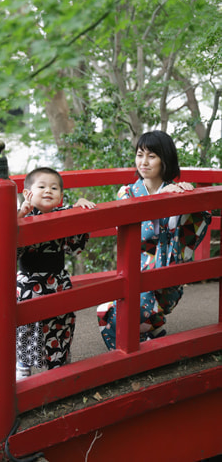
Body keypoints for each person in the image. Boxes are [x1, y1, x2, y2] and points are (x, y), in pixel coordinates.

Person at [97, 130, 212, 350]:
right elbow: (129, 232)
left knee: (126, 314)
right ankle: (152, 330)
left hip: (168, 271)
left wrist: (191, 199)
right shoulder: (127, 193)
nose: (144, 162)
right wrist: (160, 200)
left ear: (165, 159)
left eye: (152, 156)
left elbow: (199, 221)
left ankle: (149, 329)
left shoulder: (177, 191)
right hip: (137, 268)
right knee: (109, 312)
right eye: (140, 155)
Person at [16, 167, 96, 379]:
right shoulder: (21, 215)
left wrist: (79, 210)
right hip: (28, 282)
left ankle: (59, 362)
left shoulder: (63, 214)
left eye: (54, 188)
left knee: (61, 319)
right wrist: (21, 215)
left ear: (61, 197)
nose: (48, 191)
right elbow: (11, 248)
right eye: (41, 186)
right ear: (27, 193)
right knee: (27, 322)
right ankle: (24, 362)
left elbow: (75, 247)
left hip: (56, 279)